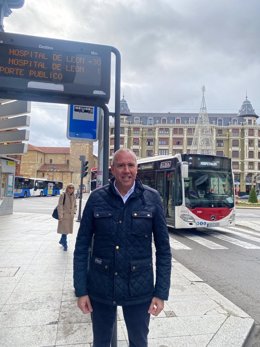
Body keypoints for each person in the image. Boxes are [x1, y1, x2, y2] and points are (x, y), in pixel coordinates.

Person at [73, 148, 172, 347]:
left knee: (138, 342)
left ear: (137, 169)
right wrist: (81, 290)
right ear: (112, 169)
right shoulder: (96, 198)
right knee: (100, 342)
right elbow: (82, 246)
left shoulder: (152, 198)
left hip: (139, 289)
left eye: (131, 165)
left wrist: (160, 293)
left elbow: (163, 250)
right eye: (121, 165)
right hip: (101, 288)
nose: (126, 170)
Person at [57, 183, 77, 251]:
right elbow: (60, 205)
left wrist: (74, 211)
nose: (71, 189)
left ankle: (61, 241)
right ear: (67, 188)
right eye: (70, 187)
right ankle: (65, 243)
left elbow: (75, 205)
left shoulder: (74, 196)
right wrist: (60, 215)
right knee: (65, 230)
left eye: (72, 188)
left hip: (70, 216)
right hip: (64, 215)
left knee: (66, 230)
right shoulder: (63, 195)